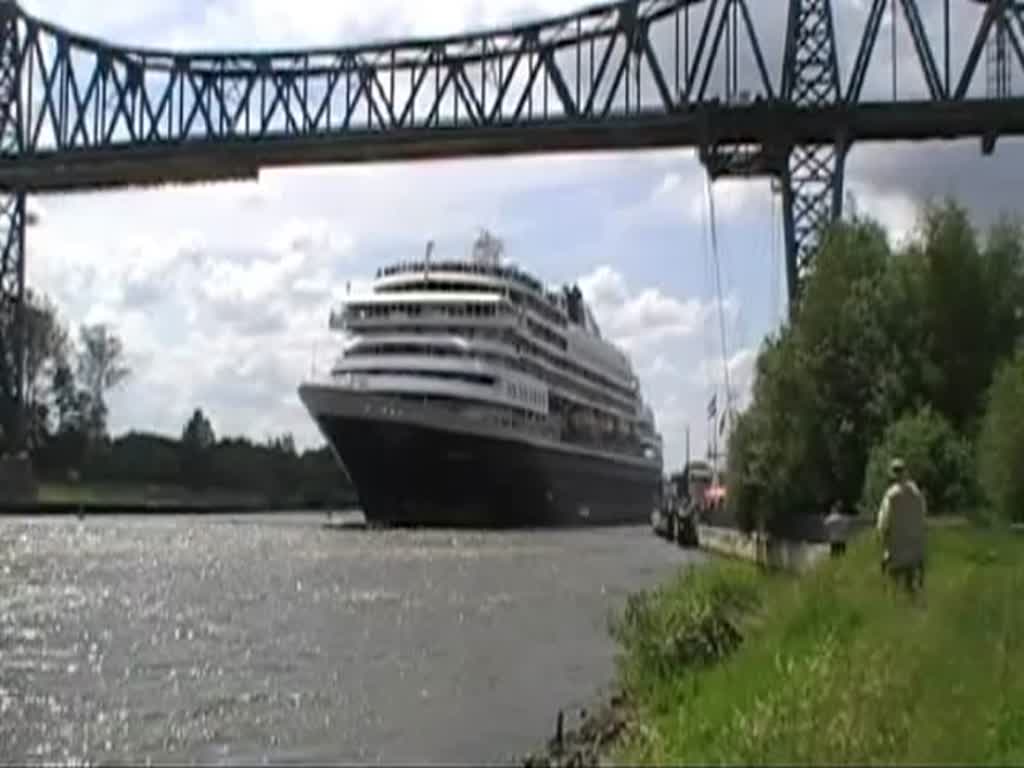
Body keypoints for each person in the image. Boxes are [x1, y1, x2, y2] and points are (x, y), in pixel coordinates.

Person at [876, 458, 927, 593]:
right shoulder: (916, 493)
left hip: (896, 543)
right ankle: (911, 605)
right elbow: (922, 514)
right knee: (910, 580)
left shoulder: (891, 495)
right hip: (914, 543)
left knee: (894, 580)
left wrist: (882, 536)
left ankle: (896, 605)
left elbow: (883, 521)